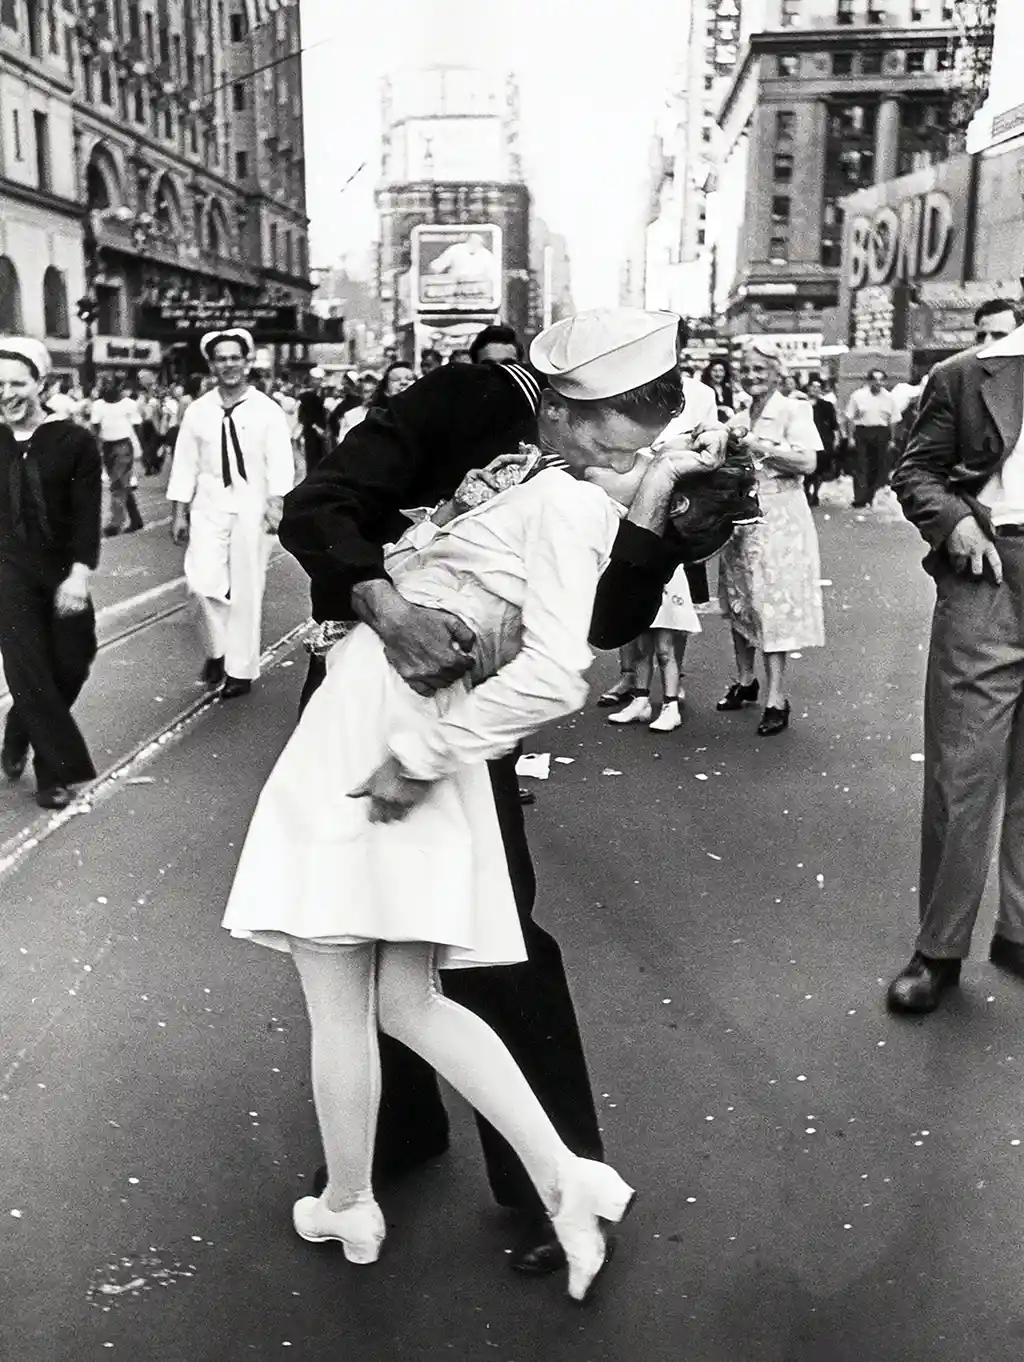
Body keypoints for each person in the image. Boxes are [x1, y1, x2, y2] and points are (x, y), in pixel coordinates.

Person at [224, 308, 719, 1299]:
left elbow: (595, 627)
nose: (637, 440)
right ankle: (397, 1146)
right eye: (626, 419)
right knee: (390, 969)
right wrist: (386, 603)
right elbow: (319, 506)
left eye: (658, 422)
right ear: (566, 404)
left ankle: (526, 1183)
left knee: (480, 947)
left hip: (450, 719)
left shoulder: (607, 477)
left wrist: (661, 531)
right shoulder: (460, 402)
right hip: (388, 690)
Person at [887, 311, 1024, 1013]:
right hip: (993, 570)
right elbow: (914, 471)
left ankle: (1020, 934)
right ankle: (938, 950)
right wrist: (957, 520)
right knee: (962, 769)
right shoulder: (969, 374)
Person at [0, 338, 102, 809]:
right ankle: (52, 773)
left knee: (72, 662)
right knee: (29, 666)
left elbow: (85, 514)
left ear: (41, 384)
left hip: (61, 567)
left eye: (17, 383)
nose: (7, 392)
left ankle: (19, 727)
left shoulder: (74, 442)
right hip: (6, 570)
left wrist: (79, 574)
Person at [166, 329, 295, 699]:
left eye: (235, 357)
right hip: (208, 507)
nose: (229, 365)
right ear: (212, 365)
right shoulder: (198, 411)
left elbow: (280, 463)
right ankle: (216, 650)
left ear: (247, 361)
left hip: (252, 508)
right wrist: (179, 512)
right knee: (200, 585)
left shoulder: (267, 410)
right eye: (221, 358)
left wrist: (276, 505)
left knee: (246, 590)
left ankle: (239, 669)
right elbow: (184, 464)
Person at [716, 340, 824, 737]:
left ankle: (777, 698)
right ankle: (746, 680)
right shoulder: (738, 415)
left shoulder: (795, 409)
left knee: (773, 605)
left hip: (781, 517)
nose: (752, 376)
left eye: (760, 369)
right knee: (741, 600)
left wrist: (754, 445)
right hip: (741, 519)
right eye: (746, 369)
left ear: (778, 372)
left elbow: (807, 461)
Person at [605, 373, 723, 728]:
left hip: (669, 542)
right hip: (634, 535)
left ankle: (670, 699)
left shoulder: (698, 400)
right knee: (638, 633)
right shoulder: (624, 405)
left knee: (666, 640)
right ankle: (639, 695)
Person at [90, 375, 143, 535]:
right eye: (104, 386)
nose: (107, 389)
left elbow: (137, 426)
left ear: (119, 387)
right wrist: (96, 448)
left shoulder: (129, 404)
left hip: (123, 446)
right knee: (120, 484)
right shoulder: (98, 405)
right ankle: (136, 519)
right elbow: (95, 427)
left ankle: (115, 523)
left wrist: (137, 447)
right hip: (107, 446)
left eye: (111, 385)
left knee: (118, 485)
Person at [844, 369, 898, 509]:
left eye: (881, 380)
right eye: (875, 380)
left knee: (878, 466)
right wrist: (850, 438)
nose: (878, 383)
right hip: (863, 431)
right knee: (861, 465)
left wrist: (892, 440)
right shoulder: (858, 396)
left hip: (881, 433)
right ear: (869, 381)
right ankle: (860, 498)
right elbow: (850, 417)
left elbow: (893, 420)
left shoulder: (889, 397)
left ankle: (870, 495)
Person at [803, 375, 840, 506]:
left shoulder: (827, 405)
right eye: (813, 387)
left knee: (819, 469)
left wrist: (835, 440)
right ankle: (806, 491)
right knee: (806, 468)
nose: (815, 389)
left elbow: (833, 424)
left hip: (822, 439)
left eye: (818, 387)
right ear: (808, 388)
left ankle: (816, 493)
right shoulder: (801, 404)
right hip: (804, 439)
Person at [332, 370, 381, 444]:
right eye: (367, 392)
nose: (372, 395)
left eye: (374, 391)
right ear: (361, 393)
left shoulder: (388, 413)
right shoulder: (350, 416)